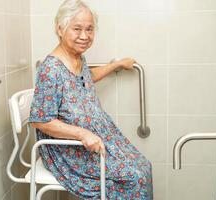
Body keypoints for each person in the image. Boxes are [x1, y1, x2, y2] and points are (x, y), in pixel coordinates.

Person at [29, 0, 153, 199]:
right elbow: (40, 120)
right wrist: (82, 134)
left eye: (89, 29)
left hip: (92, 140)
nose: (84, 36)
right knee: (134, 178)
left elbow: (86, 77)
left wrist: (116, 65)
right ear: (60, 29)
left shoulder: (77, 57)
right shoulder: (50, 69)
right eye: (77, 29)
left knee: (143, 166)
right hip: (68, 150)